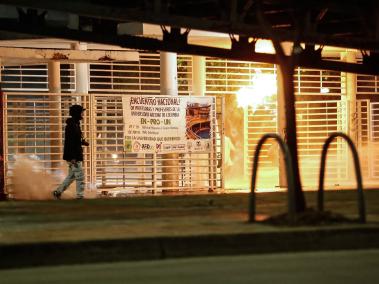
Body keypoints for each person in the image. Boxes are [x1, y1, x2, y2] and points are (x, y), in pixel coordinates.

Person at [53, 105, 89, 199]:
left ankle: (58, 192)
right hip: (74, 156)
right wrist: (73, 157)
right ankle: (80, 196)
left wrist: (82, 142)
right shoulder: (72, 126)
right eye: (81, 112)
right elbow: (70, 142)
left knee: (72, 176)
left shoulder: (75, 124)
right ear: (77, 113)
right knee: (80, 176)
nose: (82, 114)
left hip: (73, 155)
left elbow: (74, 140)